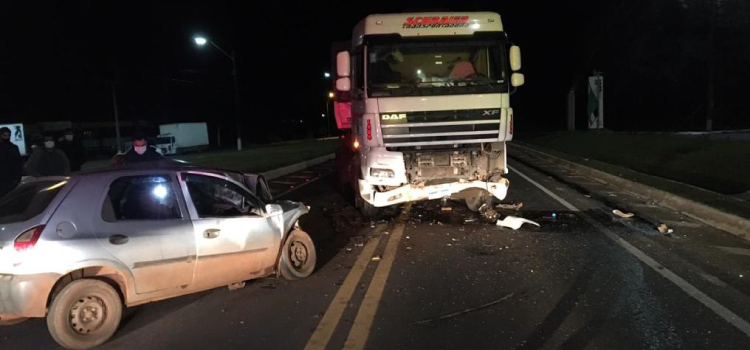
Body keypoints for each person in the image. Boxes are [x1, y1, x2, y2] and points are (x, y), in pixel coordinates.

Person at [0, 127, 23, 197]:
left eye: (8, 135)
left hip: (11, 179)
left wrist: (17, 179)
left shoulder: (13, 147)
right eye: (4, 135)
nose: (7, 138)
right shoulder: (13, 147)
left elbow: (18, 164)